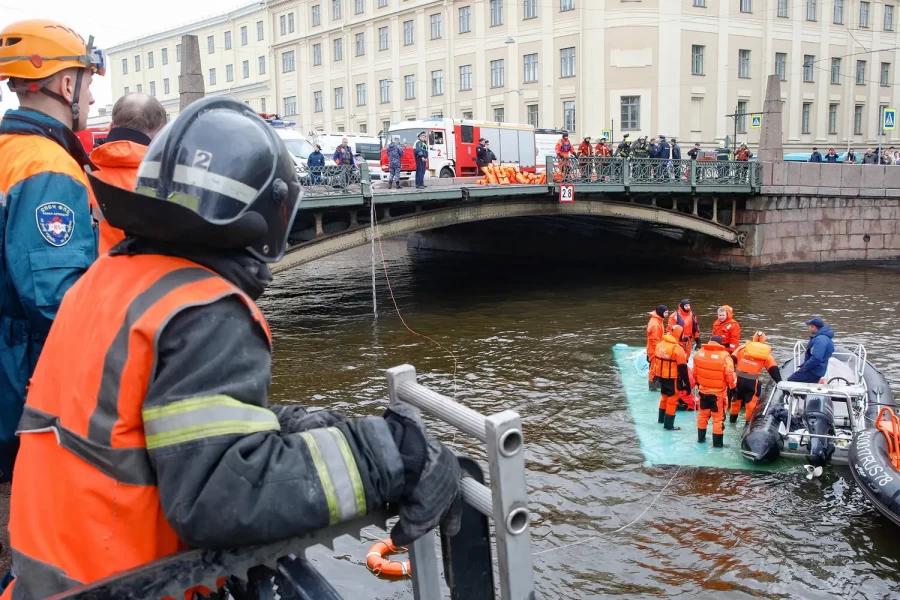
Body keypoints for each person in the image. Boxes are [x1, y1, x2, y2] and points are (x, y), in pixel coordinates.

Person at [1, 98, 463, 599]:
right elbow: (223, 495)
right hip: (130, 586)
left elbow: (152, 424)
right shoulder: (203, 309)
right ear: (271, 215)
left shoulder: (108, 281)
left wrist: (296, 425)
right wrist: (392, 456)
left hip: (52, 577)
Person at [0, 19, 105, 482]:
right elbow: (56, 299)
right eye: (87, 86)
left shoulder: (9, 152)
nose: (92, 100)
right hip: (22, 388)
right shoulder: (47, 166)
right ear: (66, 84)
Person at [90, 93, 167, 254]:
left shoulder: (80, 174)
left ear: (111, 127)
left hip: (93, 276)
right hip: (149, 277)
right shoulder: (167, 182)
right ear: (161, 132)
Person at [694, 335, 737, 447]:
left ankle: (701, 439)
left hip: (703, 391)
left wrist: (699, 384)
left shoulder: (699, 354)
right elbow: (730, 375)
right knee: (718, 419)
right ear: (720, 343)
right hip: (718, 394)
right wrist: (733, 389)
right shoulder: (725, 356)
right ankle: (717, 444)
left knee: (702, 416)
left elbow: (694, 373)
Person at [732, 331, 782, 423]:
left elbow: (732, 360)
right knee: (750, 404)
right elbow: (773, 369)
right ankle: (747, 425)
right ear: (764, 340)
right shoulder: (765, 354)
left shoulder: (742, 348)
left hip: (737, 379)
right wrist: (779, 382)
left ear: (753, 338)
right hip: (751, 382)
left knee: (735, 401)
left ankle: (732, 421)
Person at [650, 324, 691, 431]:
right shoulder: (677, 349)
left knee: (664, 397)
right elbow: (683, 368)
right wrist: (686, 383)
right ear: (679, 334)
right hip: (672, 378)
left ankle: (661, 419)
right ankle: (668, 425)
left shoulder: (660, 344)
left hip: (661, 377)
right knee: (672, 400)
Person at [787, 317, 835, 383]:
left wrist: (805, 368)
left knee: (790, 380)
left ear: (814, 327)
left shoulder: (819, 339)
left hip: (813, 371)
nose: (809, 328)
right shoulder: (825, 338)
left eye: (810, 326)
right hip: (818, 370)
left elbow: (816, 358)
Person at [646, 305, 668, 391]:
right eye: (665, 312)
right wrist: (660, 351)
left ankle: (656, 384)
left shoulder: (658, 320)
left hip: (655, 348)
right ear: (661, 312)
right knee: (654, 369)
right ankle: (652, 387)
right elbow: (654, 340)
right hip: (654, 350)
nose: (667, 314)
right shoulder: (655, 324)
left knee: (656, 367)